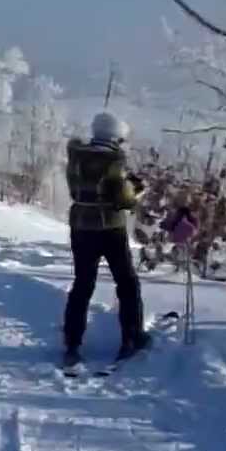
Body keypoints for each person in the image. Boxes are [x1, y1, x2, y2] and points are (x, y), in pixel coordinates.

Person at [62, 112, 148, 366]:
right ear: (115, 137)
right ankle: (132, 338)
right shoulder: (115, 160)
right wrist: (137, 190)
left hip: (80, 226)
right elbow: (122, 199)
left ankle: (72, 343)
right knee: (127, 282)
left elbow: (80, 188)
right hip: (109, 228)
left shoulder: (75, 157)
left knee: (82, 284)